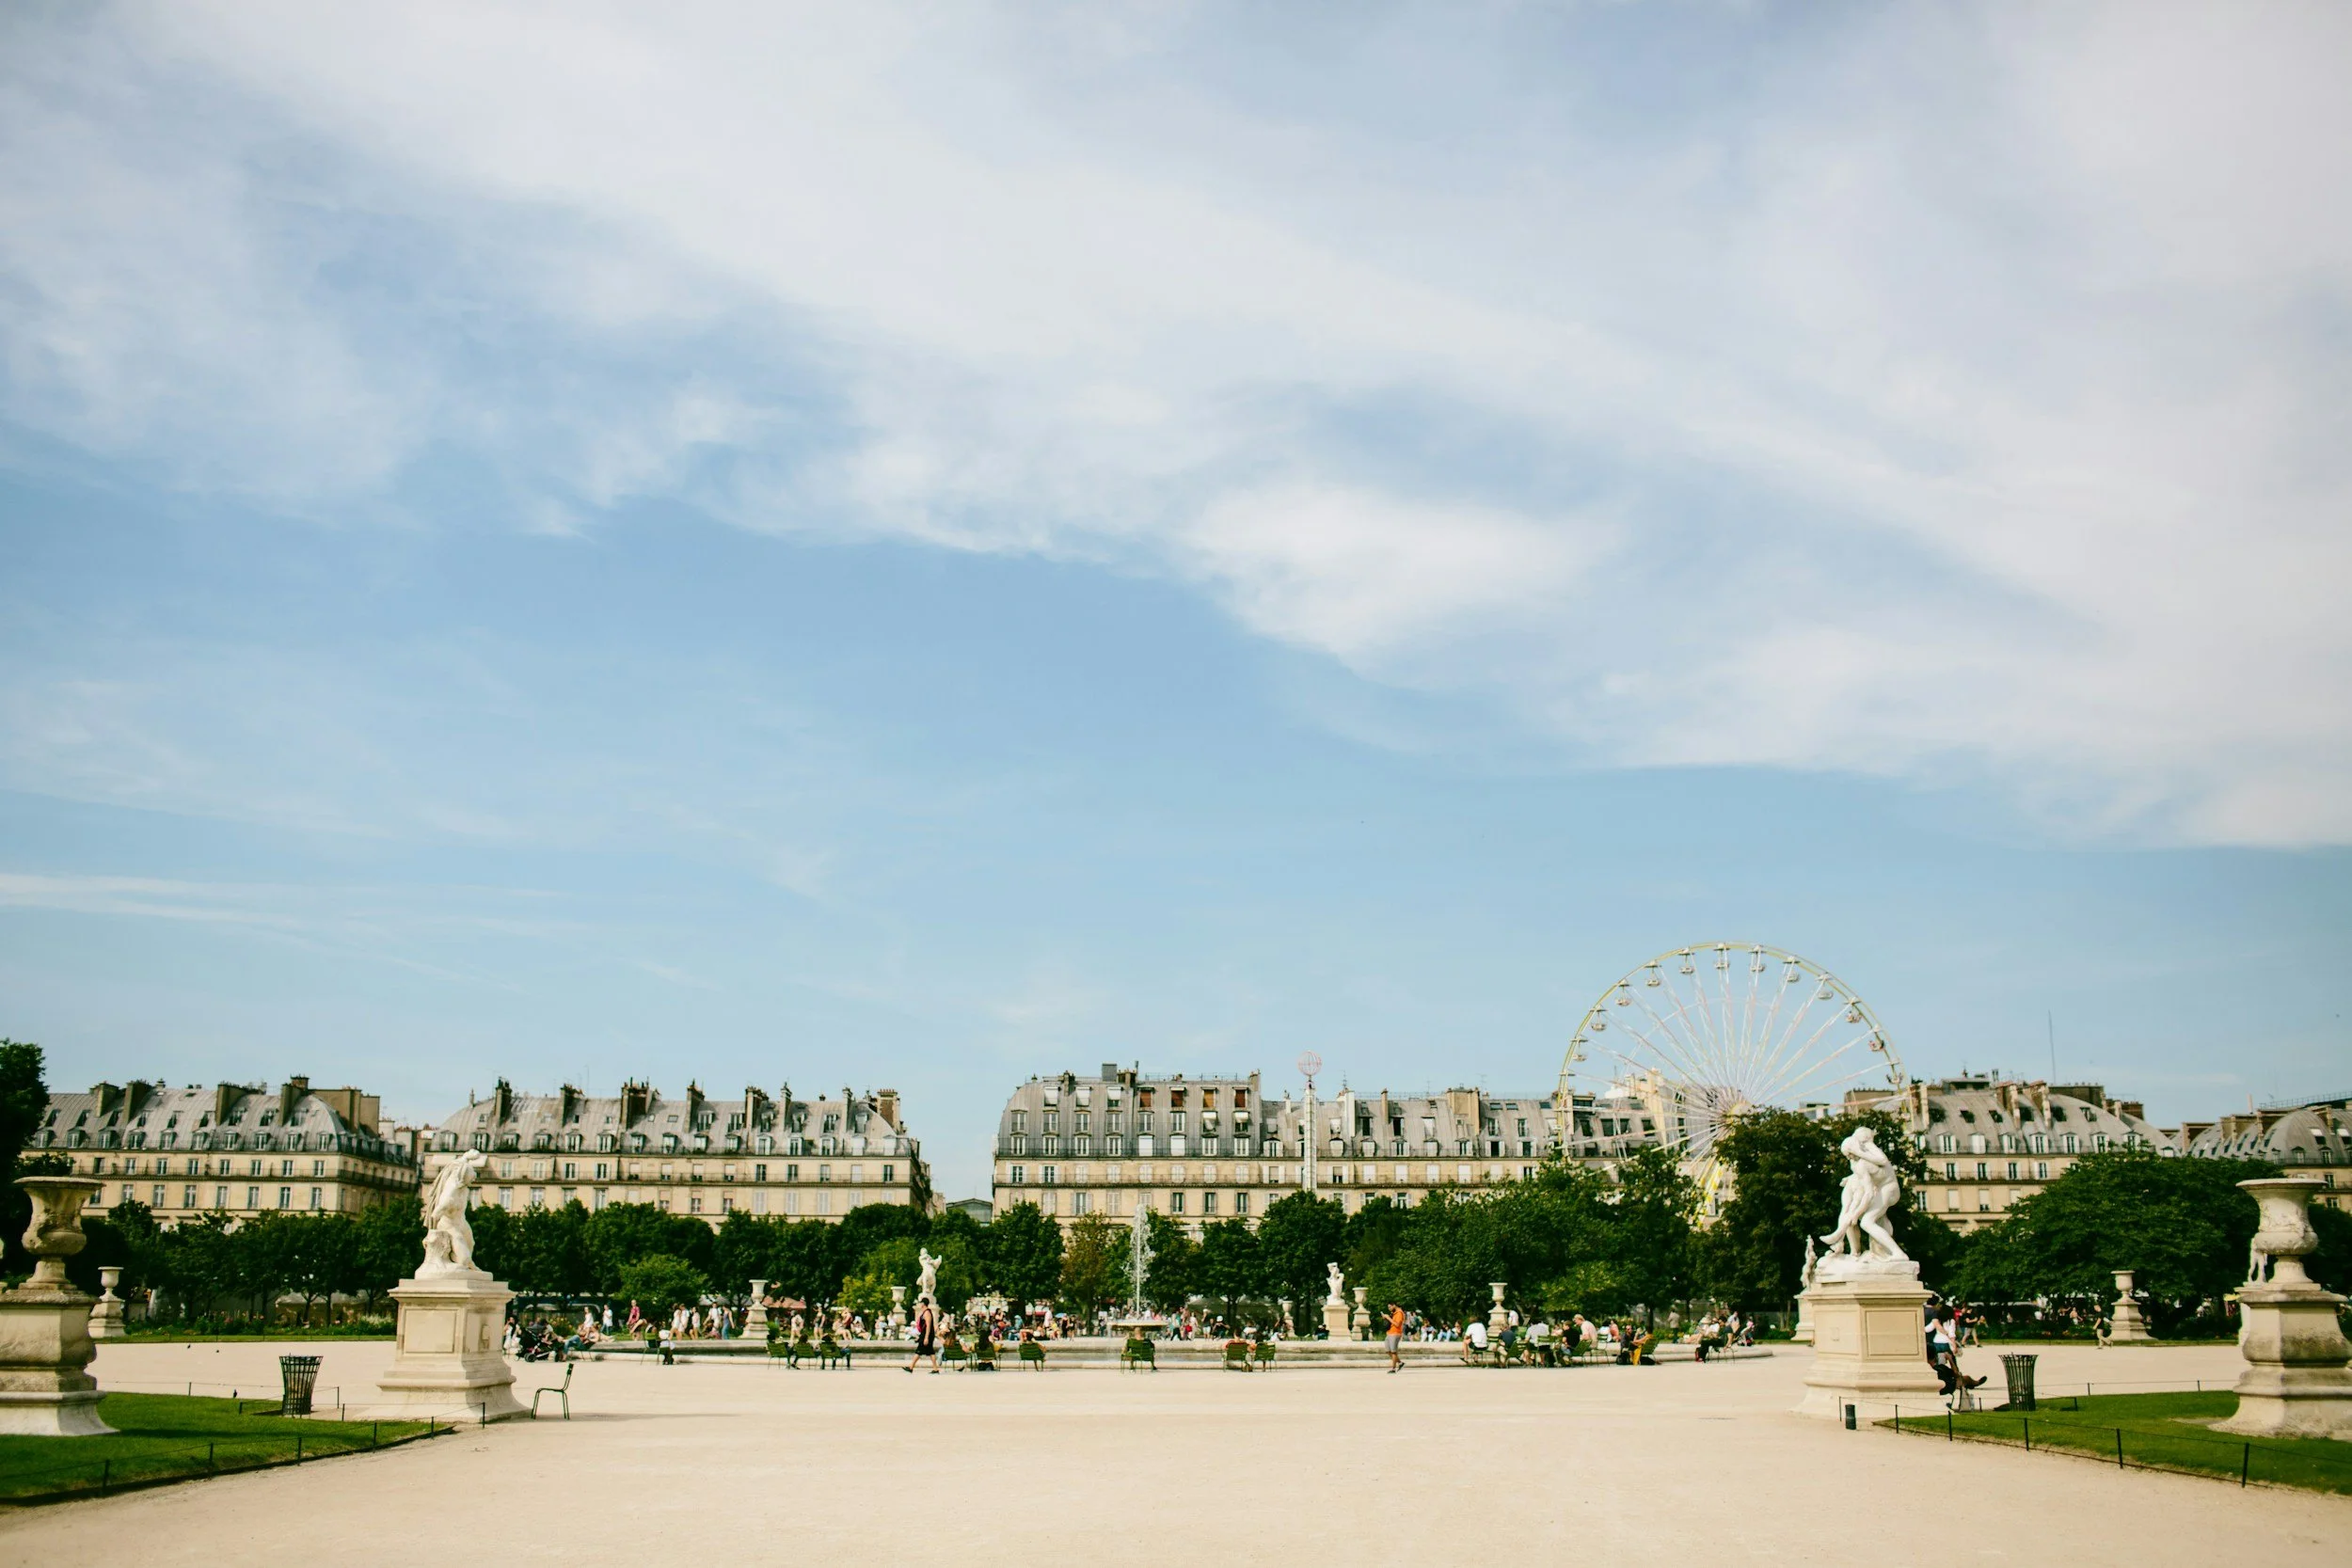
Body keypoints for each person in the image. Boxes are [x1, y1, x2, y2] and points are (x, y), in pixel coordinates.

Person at [905, 1297, 941, 1374]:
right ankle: (935, 1369)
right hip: (925, 1334)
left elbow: (928, 1325)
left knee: (919, 1351)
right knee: (930, 1352)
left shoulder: (927, 1313)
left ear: (923, 1304)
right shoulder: (925, 1312)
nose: (920, 1304)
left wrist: (926, 1337)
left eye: (921, 1303)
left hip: (927, 1335)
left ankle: (911, 1367)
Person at [1384, 1303, 1406, 1373]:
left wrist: (1388, 1318)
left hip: (1395, 1333)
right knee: (1388, 1350)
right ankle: (1400, 1363)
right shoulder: (1394, 1313)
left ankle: (1393, 1369)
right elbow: (1392, 1322)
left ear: (1394, 1305)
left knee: (1393, 1352)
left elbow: (1397, 1324)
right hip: (1389, 1333)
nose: (1389, 1308)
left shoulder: (1399, 1313)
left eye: (1390, 1307)